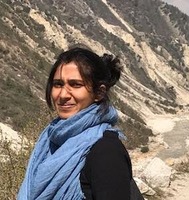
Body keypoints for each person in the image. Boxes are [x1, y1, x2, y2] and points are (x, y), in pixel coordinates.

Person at [17, 47, 144, 200]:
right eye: (58, 84)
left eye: (75, 84)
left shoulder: (106, 151)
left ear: (99, 93)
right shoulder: (50, 140)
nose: (63, 95)